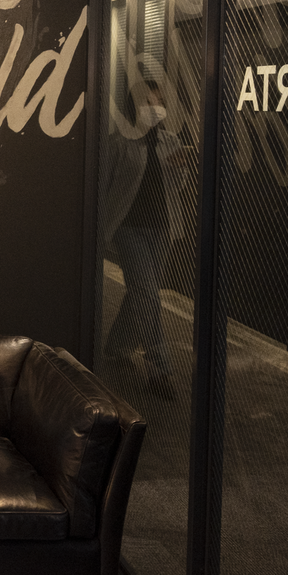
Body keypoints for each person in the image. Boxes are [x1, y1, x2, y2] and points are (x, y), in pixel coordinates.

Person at [100, 77, 189, 399]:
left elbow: (176, 188)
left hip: (162, 228)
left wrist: (178, 168)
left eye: (158, 102)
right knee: (148, 294)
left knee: (141, 293)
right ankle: (159, 368)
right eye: (148, 103)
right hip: (129, 229)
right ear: (135, 107)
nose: (155, 108)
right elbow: (105, 186)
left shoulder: (170, 141)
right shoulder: (119, 143)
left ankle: (118, 344)